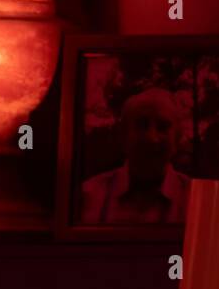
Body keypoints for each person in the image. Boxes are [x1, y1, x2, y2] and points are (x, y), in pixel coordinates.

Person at [79, 88, 191, 225]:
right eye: (142, 125)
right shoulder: (88, 196)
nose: (152, 138)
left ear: (177, 138)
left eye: (162, 127)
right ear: (123, 135)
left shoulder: (196, 201)